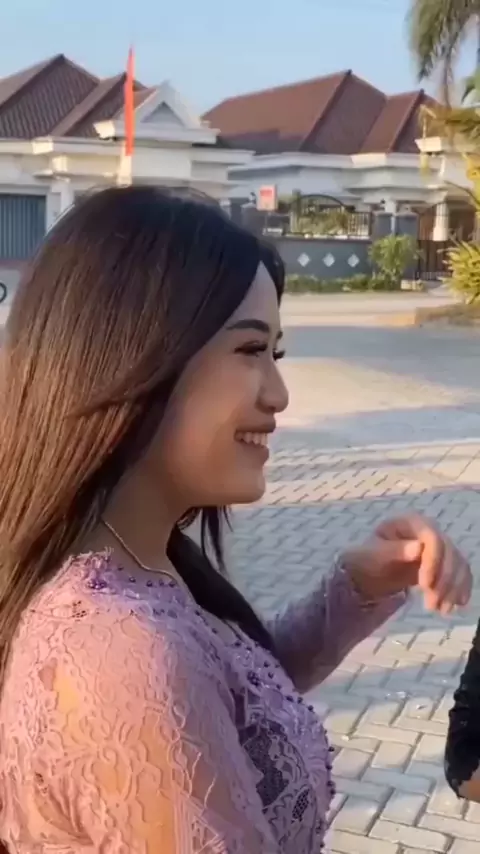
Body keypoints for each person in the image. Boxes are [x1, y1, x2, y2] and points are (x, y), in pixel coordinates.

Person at [0, 185, 471, 854]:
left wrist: (354, 589)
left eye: (275, 354)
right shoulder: (122, 650)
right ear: (130, 355)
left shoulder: (134, 561)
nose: (278, 395)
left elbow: (236, 698)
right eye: (251, 350)